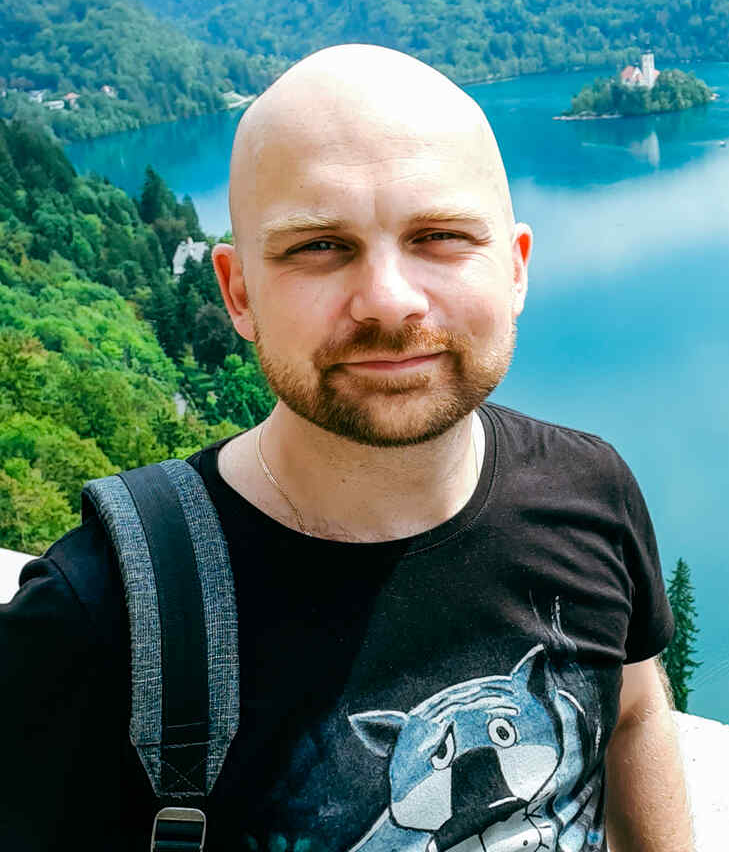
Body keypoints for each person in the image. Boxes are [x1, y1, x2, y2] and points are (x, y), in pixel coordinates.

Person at [0, 45, 693, 851]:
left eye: (439, 235)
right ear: (238, 293)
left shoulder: (590, 490)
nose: (390, 302)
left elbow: (634, 710)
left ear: (515, 270)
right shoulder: (98, 613)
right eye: (320, 246)